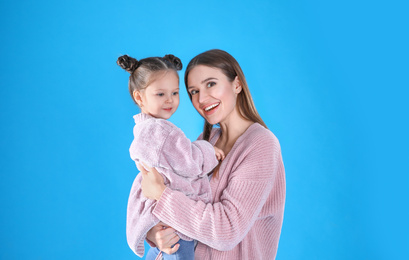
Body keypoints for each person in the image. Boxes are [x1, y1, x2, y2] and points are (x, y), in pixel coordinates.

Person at [135, 49, 286, 259]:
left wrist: (162, 195)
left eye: (211, 84)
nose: (203, 98)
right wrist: (155, 233)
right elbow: (175, 202)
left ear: (237, 84)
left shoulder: (261, 145)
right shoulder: (206, 142)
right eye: (194, 91)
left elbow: (227, 231)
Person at [117, 54, 225, 260]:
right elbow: (192, 163)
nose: (170, 100)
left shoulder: (145, 130)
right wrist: (209, 150)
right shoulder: (163, 132)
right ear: (139, 97)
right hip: (176, 224)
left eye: (174, 93)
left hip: (164, 221)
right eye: (160, 94)